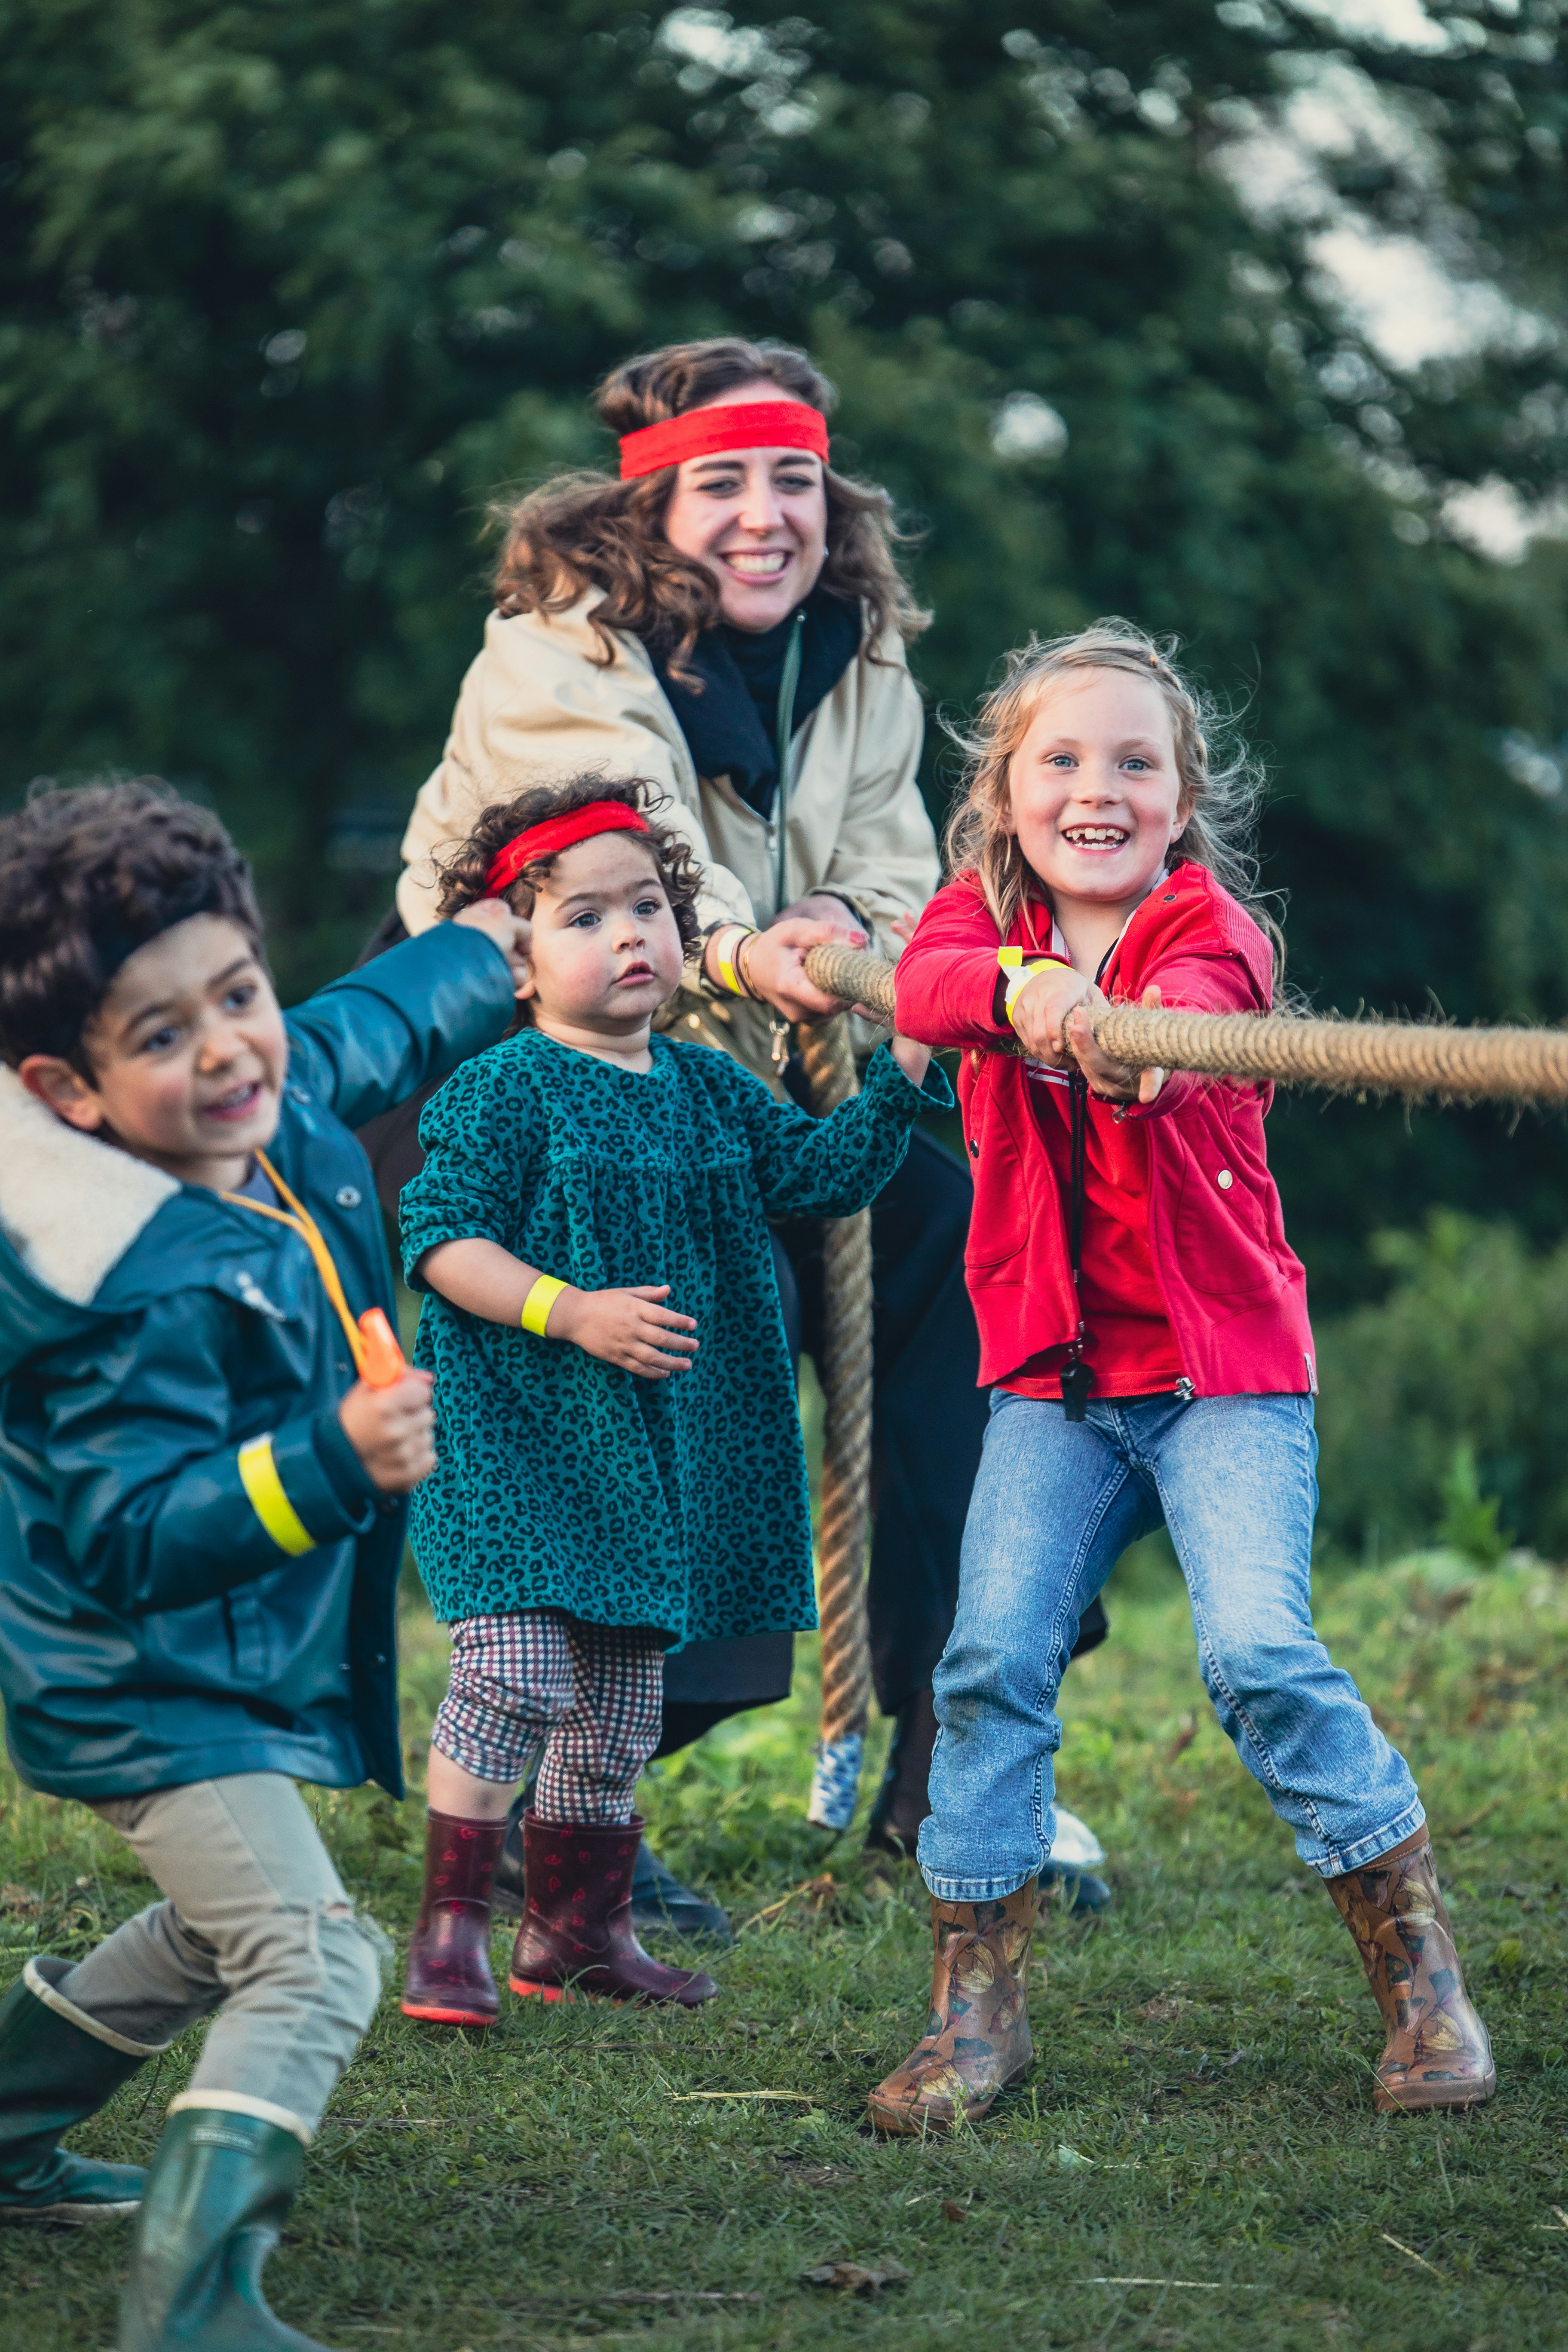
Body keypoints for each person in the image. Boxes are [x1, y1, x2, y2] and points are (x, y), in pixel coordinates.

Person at [370, 333, 1109, 1930]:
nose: (767, 516)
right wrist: (747, 947)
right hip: (554, 1073)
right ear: (649, 508)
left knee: (973, 1260)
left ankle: (964, 1742)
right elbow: (619, 852)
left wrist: (849, 920)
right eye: (723, 484)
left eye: (796, 480)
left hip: (759, 1070)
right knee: (698, 1327)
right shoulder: (550, 659)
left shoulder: (863, 651)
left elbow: (908, 872)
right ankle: (564, 1791)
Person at [868, 621, 1495, 2134]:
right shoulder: (974, 925)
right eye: (1061, 759)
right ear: (1005, 792)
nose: (1099, 787)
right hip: (1055, 1385)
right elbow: (930, 985)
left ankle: (1423, 1982)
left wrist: (1132, 1043)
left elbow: (1211, 1013)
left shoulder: (1207, 931)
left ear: (1182, 795)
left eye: (1135, 762)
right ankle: (976, 2016)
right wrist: (1025, 996)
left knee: (1259, 1653)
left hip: (1222, 1379)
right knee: (988, 1655)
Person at [0, 783, 522, 2343]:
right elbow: (125, 1534)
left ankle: (6, 2136)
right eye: (162, 1037)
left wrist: (485, 952)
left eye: (235, 995)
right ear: (69, 1091)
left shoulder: (276, 1110)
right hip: (135, 1672)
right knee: (307, 1955)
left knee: (217, 1924)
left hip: (223, 1658)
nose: (227, 1049)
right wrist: (322, 1470)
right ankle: (193, 2304)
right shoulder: (125, 1285)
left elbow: (365, 1030)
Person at [395, 775, 949, 2024]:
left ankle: (576, 1933)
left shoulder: (709, 1089)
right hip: (524, 1443)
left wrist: (903, 1070)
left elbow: (823, 1175)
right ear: (520, 968)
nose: (628, 935)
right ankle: (450, 1932)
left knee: (623, 1699)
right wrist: (571, 1311)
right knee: (516, 1674)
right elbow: (438, 1241)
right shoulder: (504, 1089)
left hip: (658, 1458)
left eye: (646, 905)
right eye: (582, 918)